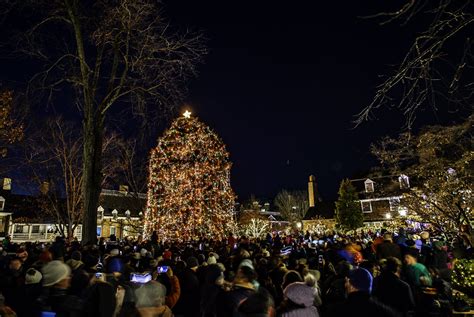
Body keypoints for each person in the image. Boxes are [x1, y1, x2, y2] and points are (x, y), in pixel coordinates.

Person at [326, 267, 399, 317]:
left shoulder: (336, 311)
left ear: (352, 286)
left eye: (347, 282)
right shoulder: (386, 311)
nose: (345, 285)